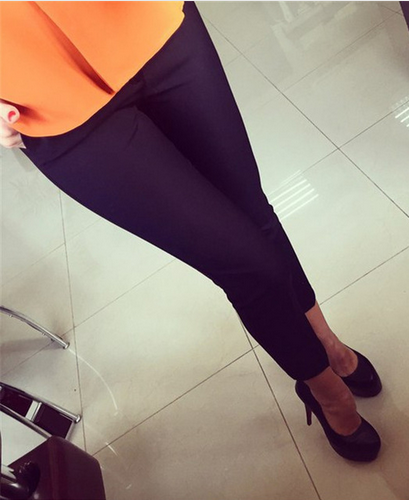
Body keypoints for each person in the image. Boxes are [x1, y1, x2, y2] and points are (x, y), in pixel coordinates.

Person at [0, 1, 382, 462]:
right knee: (246, 263)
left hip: (151, 25)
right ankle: (325, 390)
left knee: (254, 212)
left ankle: (327, 344)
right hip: (46, 100)